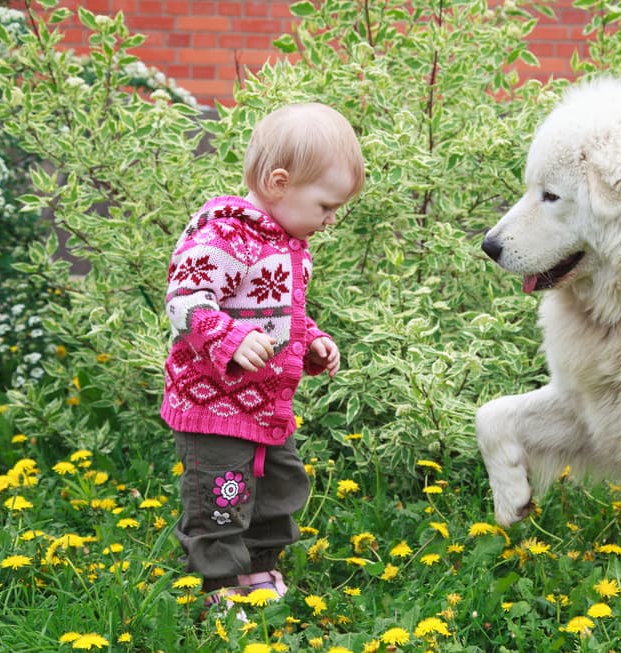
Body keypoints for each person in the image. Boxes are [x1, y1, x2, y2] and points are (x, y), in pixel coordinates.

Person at [160, 102, 364, 608]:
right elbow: (185, 299)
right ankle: (216, 584)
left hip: (265, 407)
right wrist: (227, 339)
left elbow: (279, 313)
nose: (331, 218)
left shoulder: (287, 242)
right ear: (278, 182)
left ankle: (257, 567)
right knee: (221, 496)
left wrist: (311, 340)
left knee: (279, 487)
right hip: (214, 407)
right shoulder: (223, 232)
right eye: (325, 205)